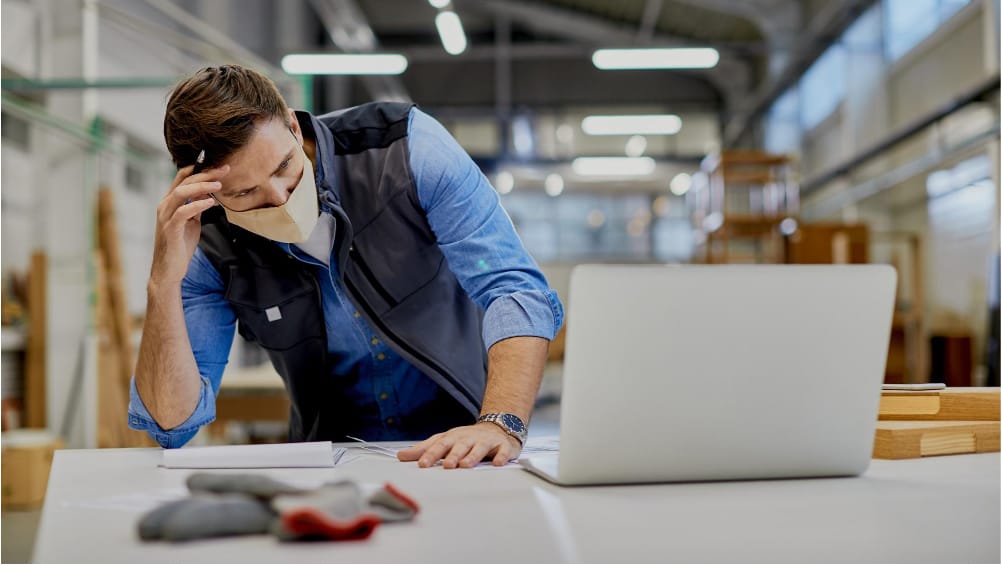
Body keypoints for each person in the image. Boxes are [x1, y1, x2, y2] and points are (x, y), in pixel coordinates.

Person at [128, 64, 563, 468]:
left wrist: (500, 421)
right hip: (333, 466)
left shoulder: (406, 151)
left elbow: (513, 289)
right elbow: (173, 424)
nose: (280, 196)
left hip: (464, 450)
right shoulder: (209, 244)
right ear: (202, 191)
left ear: (293, 127)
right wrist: (163, 282)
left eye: (284, 166)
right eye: (245, 194)